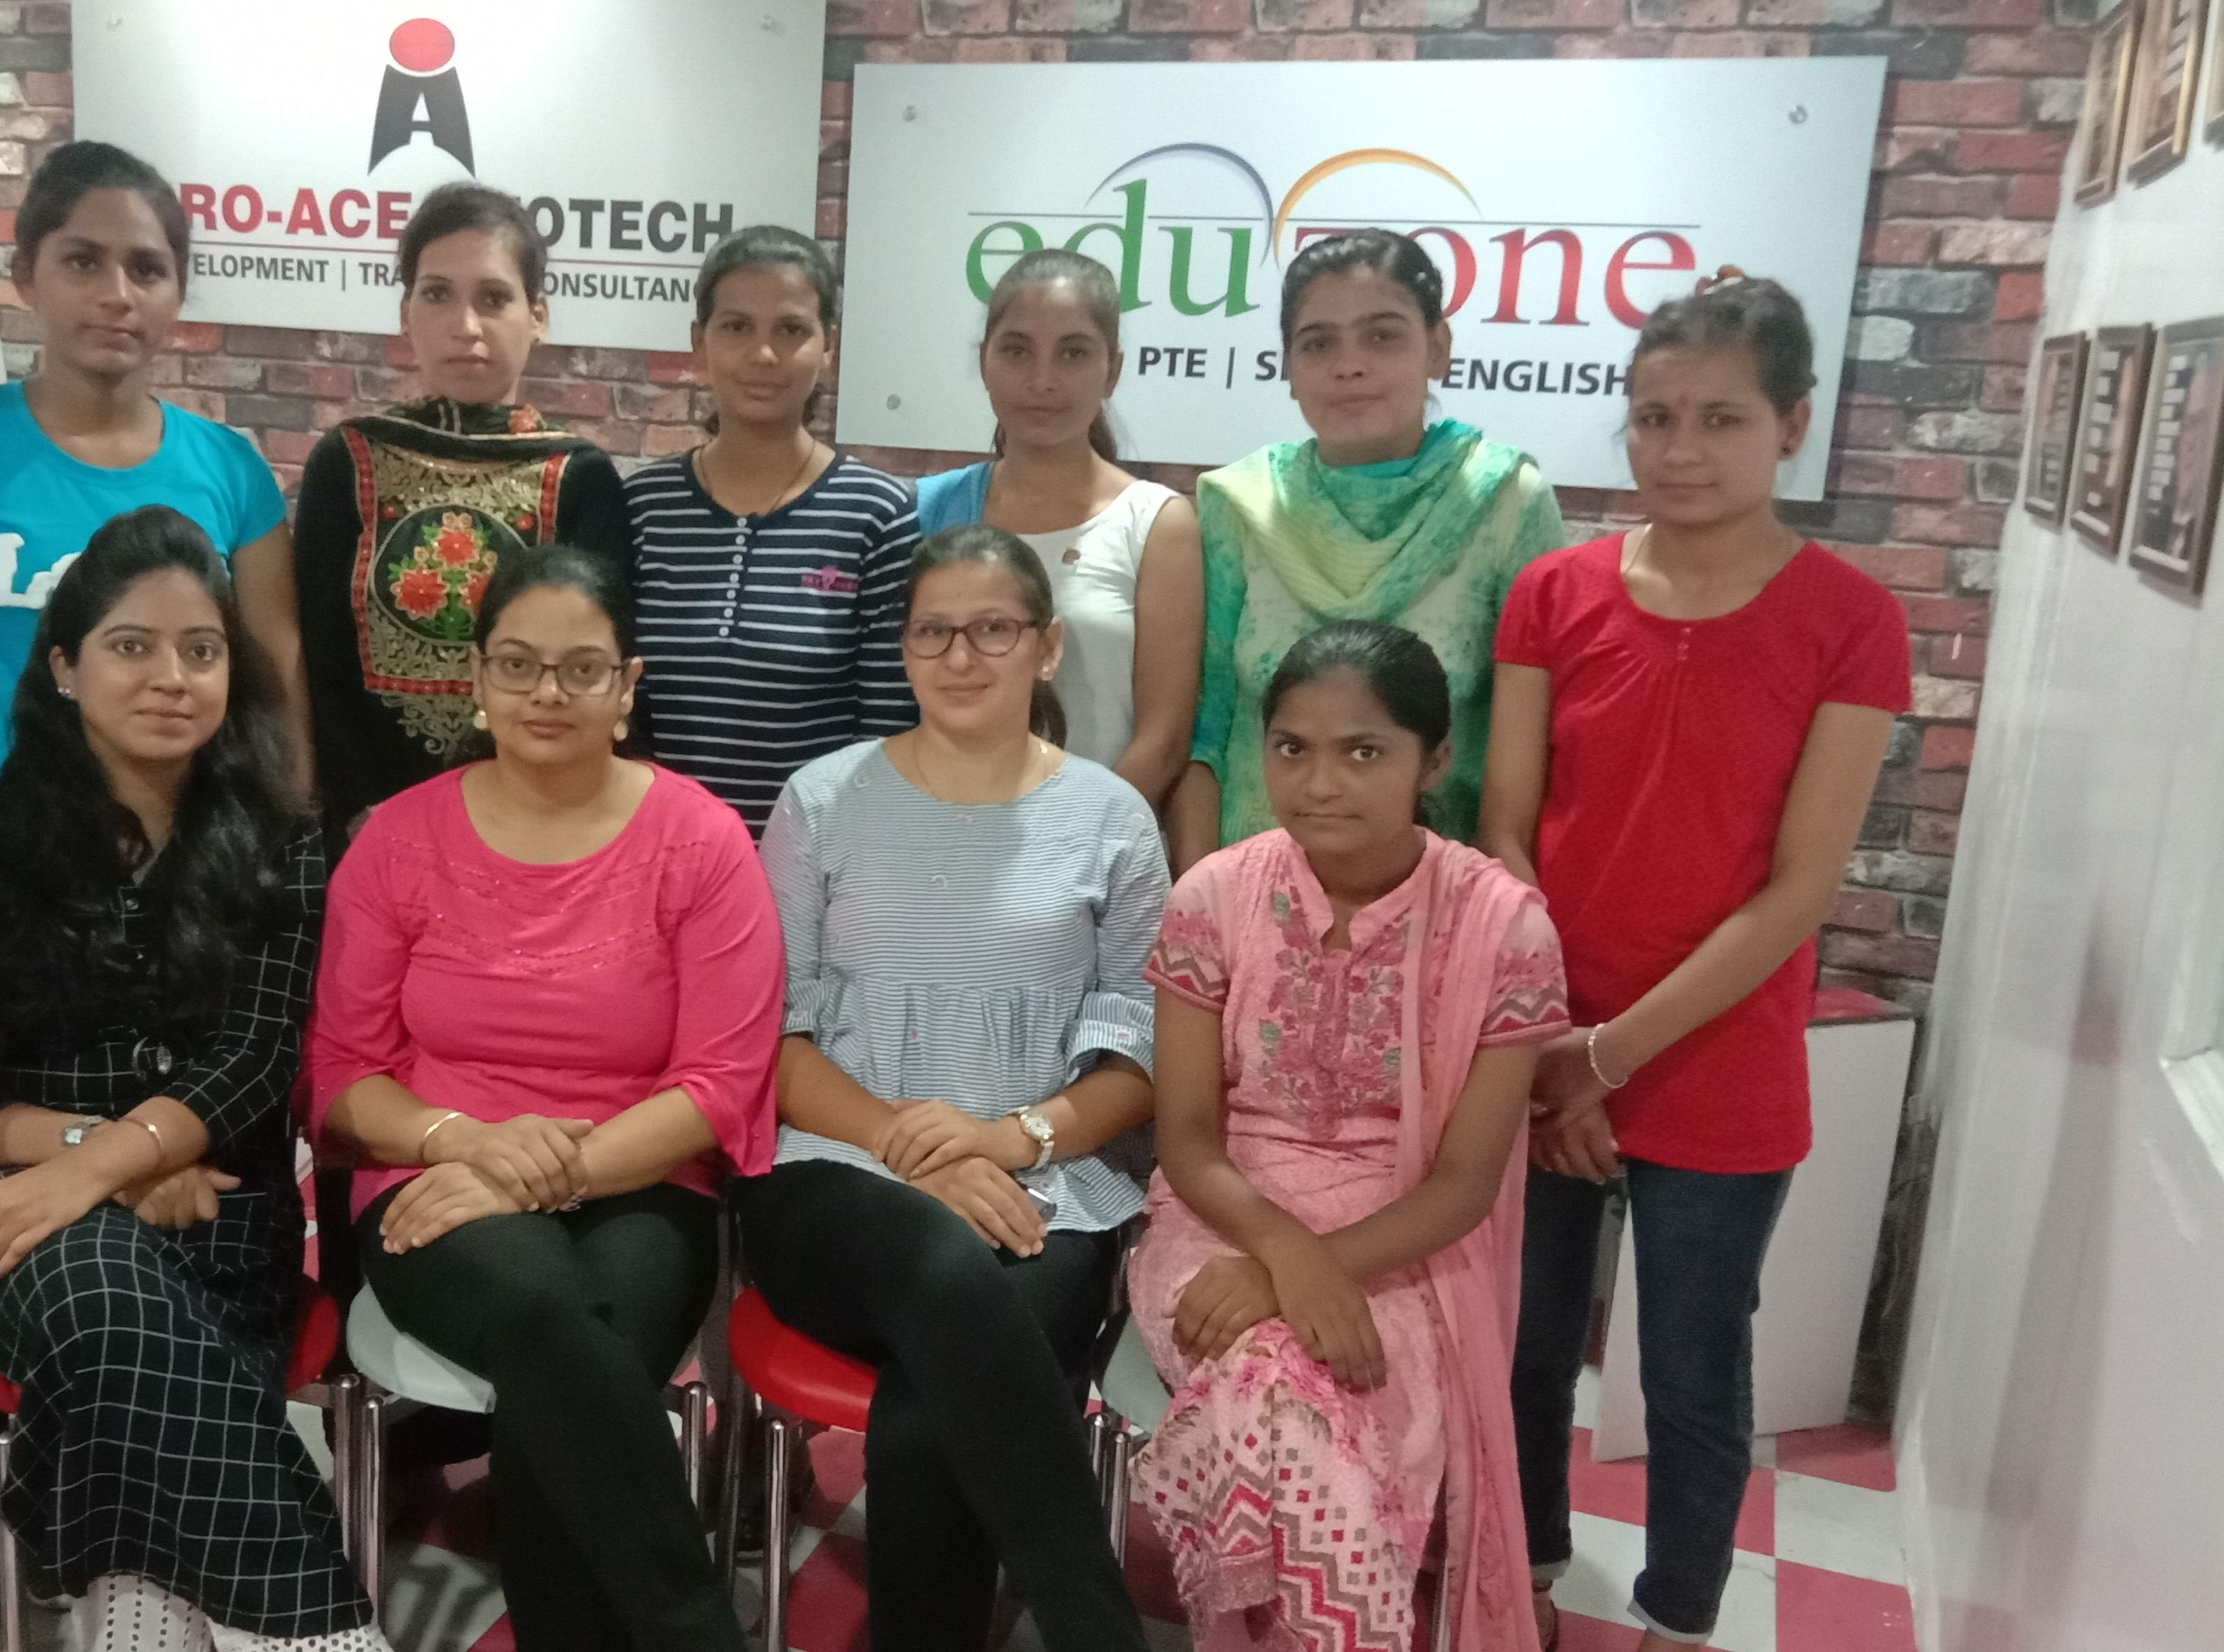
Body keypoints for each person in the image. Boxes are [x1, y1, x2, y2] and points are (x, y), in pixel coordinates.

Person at [1481, 277, 1911, 1652]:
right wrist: (1551, 1041)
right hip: (1540, 1038)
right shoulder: (1553, 592)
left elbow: (1797, 893)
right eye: (1653, 416)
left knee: (1690, 1371)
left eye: (1719, 419)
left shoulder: (1851, 619)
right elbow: (1506, 824)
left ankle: (1679, 1617)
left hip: (1713, 1060)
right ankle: (1526, 1573)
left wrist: (1604, 1058)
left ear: (1792, 424)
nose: (1678, 449)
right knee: (1527, 1345)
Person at [0, 509, 383, 1652]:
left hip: (220, 1212)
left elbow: (256, 1059)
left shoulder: (285, 843)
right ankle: (317, 1632)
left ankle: (134, 1599)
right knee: (97, 1278)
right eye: (132, 646)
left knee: (120, 1320)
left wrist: (104, 1166)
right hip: (22, 1218)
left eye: (202, 649)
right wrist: (99, 1163)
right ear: (64, 667)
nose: (172, 677)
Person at [309, 546, 778, 1652]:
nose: (547, 693)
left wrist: (534, 1171)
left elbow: (721, 1081)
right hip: (437, 1174)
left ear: (628, 685)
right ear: (477, 679)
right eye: (518, 665)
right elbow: (340, 1076)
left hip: (645, 1179)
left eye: (581, 669)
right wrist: (462, 1142)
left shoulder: (702, 841)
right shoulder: (398, 840)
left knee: (564, 1366)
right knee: (546, 1318)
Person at [746, 524, 1163, 1652]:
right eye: (933, 631)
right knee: (941, 1266)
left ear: (1047, 646)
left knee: (933, 1410)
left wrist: (1006, 1140)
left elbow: (1140, 1055)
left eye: (993, 629)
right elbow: (774, 1040)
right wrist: (916, 1148)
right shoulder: (823, 799)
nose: (962, 656)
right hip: (834, 1174)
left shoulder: (1112, 818)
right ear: (902, 647)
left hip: (1045, 1187)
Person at [1129, 621, 1571, 1652]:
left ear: (1435, 760)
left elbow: (1464, 1185)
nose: (1320, 783)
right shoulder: (1215, 896)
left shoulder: (1502, 929)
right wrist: (1285, 1258)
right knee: (1279, 1405)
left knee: (1306, 1422)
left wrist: (1310, 1270)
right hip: (1222, 1214)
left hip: (1407, 1236)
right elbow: (1186, 1139)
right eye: (1292, 748)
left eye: (1362, 751)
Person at [0, 140, 299, 835]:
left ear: (178, 292)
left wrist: (288, 851)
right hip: (1, 843)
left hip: (189, 851)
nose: (117, 295)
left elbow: (275, 693)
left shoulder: (232, 470)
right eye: (82, 261)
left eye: (147, 270)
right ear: (26, 274)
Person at [1167, 229, 1568, 871]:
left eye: (1382, 336)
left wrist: (1497, 902)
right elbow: (1204, 732)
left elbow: (1532, 743)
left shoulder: (1505, 500)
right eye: (1318, 343)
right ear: (1289, 369)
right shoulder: (1240, 502)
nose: (1349, 365)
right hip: (1251, 887)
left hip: (1440, 892)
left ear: (1438, 348)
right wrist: (1197, 894)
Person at [291, 182, 633, 843]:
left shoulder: (579, 476)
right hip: (368, 817)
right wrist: (358, 807)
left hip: (535, 818)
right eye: (438, 295)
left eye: (494, 299)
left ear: (538, 316)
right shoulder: (350, 461)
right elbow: (320, 659)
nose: (466, 326)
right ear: (406, 312)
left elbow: (591, 671)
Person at [627, 225, 920, 834]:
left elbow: (889, 730)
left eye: (791, 330)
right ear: (699, 344)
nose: (763, 355)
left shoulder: (877, 512)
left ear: (828, 345)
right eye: (737, 327)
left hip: (813, 861)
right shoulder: (642, 506)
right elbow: (616, 712)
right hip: (660, 853)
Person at [913, 248, 1202, 805]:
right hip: (942, 828)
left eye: (1073, 353)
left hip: (1102, 842)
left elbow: (1164, 741)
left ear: (1112, 371)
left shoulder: (1157, 524)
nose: (1042, 380)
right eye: (1017, 351)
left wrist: (1072, 837)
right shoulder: (928, 510)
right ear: (985, 362)